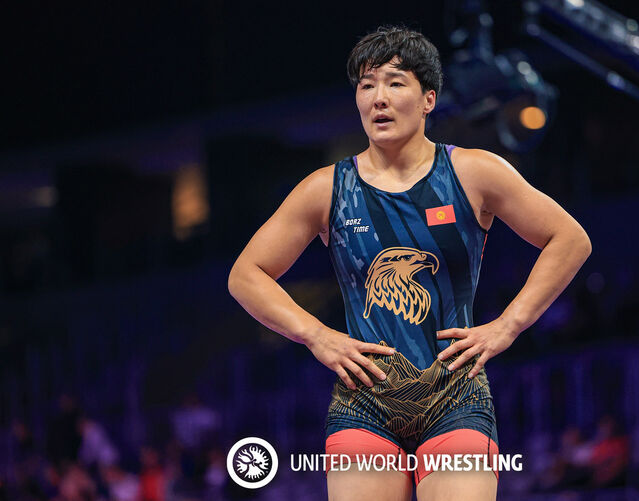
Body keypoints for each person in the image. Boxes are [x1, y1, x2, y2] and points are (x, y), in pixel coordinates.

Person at [228, 26, 591, 501]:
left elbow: (570, 239)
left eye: (395, 82)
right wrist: (316, 335)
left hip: (455, 396)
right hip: (365, 403)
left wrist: (508, 325)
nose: (378, 97)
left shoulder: (473, 172)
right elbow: (246, 275)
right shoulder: (326, 188)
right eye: (367, 85)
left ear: (428, 100)